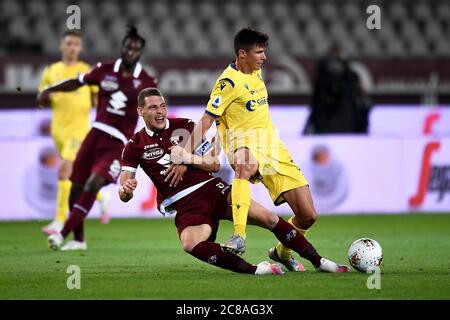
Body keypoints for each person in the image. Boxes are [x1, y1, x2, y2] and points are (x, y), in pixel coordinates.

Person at [119, 87, 350, 275]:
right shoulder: (134, 146)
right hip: (186, 205)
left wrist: (187, 157)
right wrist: (126, 190)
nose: (160, 112)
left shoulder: (186, 126)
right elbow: (124, 192)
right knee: (190, 243)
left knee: (269, 218)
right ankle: (255, 270)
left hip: (212, 190)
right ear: (140, 110)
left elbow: (214, 164)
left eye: (162, 106)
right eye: (152, 107)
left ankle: (319, 261)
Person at [171, 28, 319, 271]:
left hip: (271, 145)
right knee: (245, 166)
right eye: (259, 52)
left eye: (264, 52)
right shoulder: (227, 83)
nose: (264, 57)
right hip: (241, 140)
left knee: (308, 215)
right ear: (242, 54)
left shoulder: (256, 72)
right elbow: (206, 121)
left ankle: (282, 252)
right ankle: (239, 235)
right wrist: (183, 156)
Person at [38, 26, 158, 251]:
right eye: (128, 47)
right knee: (76, 186)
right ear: (122, 48)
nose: (132, 51)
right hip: (94, 135)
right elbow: (77, 81)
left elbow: (155, 113)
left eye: (136, 49)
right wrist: (49, 90)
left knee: (94, 183)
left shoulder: (146, 81)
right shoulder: (105, 70)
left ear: (140, 53)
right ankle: (79, 240)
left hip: (117, 144)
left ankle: (60, 234)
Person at [38, 31, 111, 235]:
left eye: (76, 44)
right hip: (59, 131)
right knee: (77, 175)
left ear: (79, 48)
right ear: (62, 46)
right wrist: (45, 98)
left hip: (79, 132)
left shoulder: (85, 71)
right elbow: (42, 98)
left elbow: (97, 100)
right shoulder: (51, 71)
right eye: (69, 43)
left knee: (64, 171)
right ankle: (101, 197)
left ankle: (60, 221)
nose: (72, 47)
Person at [304, 44, 371, 134]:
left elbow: (361, 95)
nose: (335, 67)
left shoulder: (351, 76)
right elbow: (316, 100)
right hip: (326, 118)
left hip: (347, 118)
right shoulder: (322, 77)